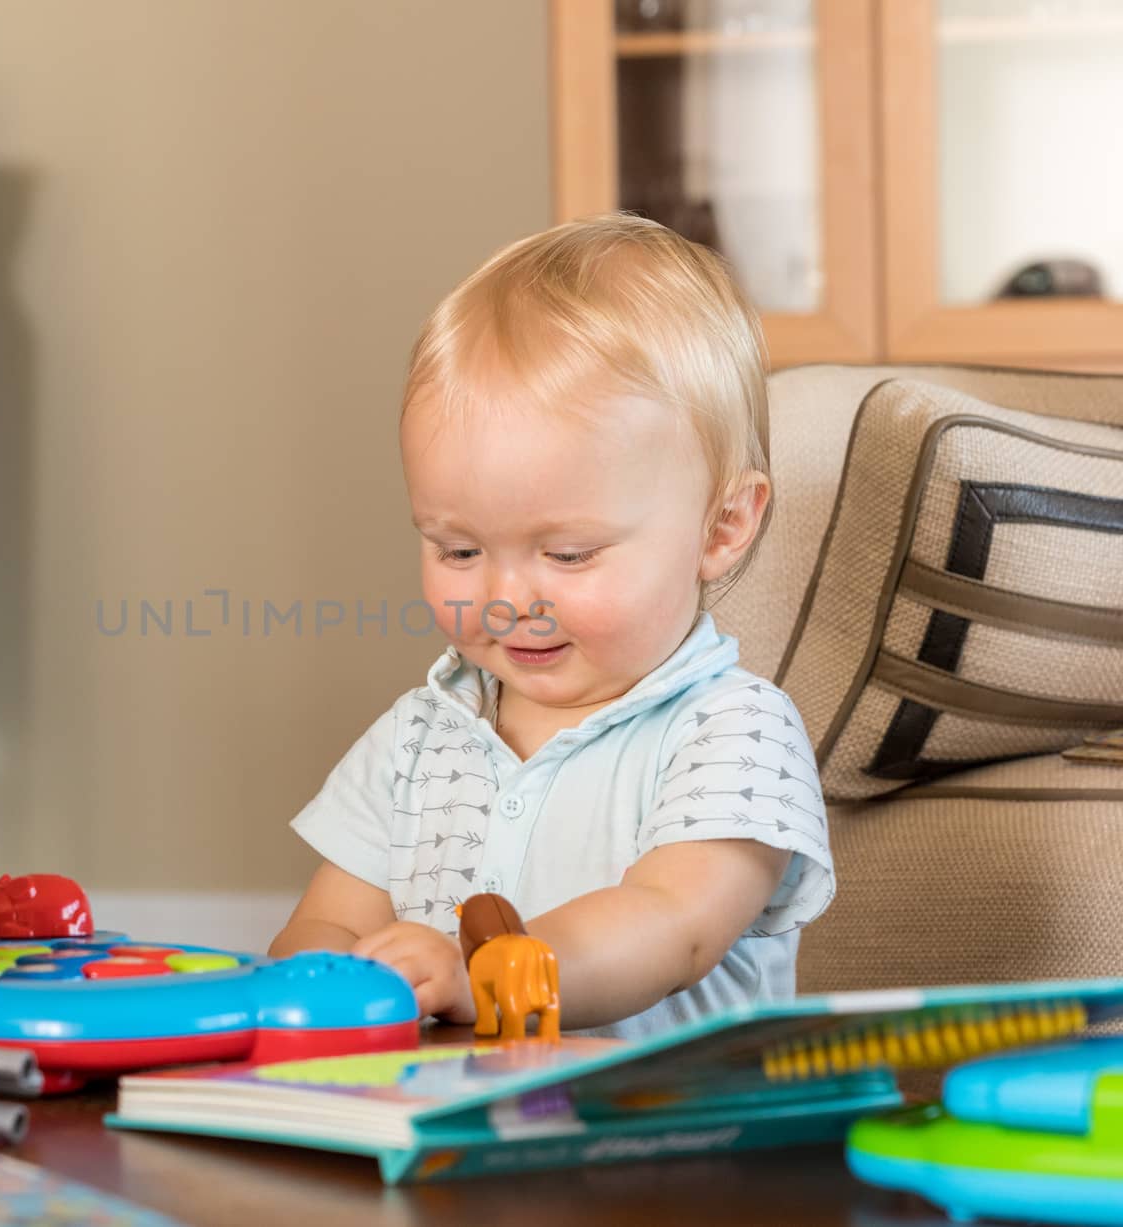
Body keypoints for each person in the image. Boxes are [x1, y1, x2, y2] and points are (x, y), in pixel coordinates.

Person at [269, 215, 833, 1039]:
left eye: (567, 554)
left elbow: (671, 924)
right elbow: (324, 926)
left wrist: (483, 979)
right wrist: (331, 984)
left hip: (664, 1139)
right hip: (441, 1116)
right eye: (459, 548)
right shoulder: (421, 736)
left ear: (720, 526)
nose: (505, 598)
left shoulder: (734, 733)